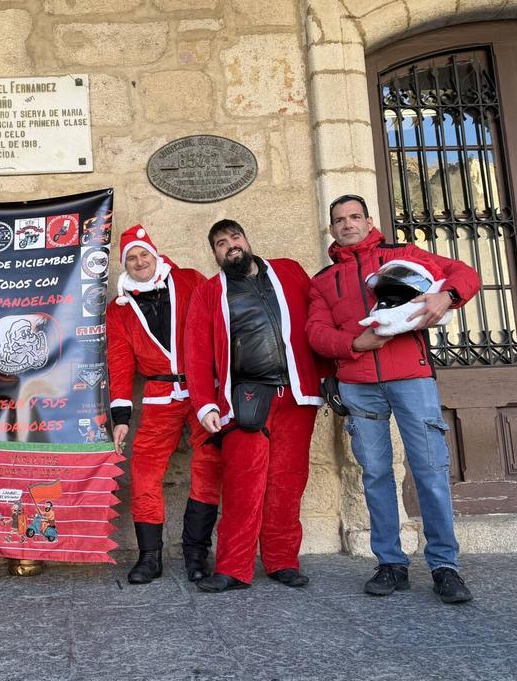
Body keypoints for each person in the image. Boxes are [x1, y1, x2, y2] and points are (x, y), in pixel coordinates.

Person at [306, 194, 480, 604]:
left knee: (430, 470)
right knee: (376, 474)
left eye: (354, 217)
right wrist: (354, 343)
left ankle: (444, 566)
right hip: (357, 384)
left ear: (369, 221)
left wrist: (446, 296)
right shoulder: (323, 281)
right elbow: (316, 333)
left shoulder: (402, 254)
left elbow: (465, 273)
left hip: (411, 378)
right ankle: (390, 563)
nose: (347, 224)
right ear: (331, 229)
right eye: (339, 220)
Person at [184, 220, 325, 593]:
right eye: (220, 243)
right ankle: (233, 567)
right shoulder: (209, 293)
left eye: (235, 238)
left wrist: (329, 375)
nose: (230, 246)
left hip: (295, 396)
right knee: (242, 486)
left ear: (246, 240)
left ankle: (282, 561)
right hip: (244, 400)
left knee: (288, 484)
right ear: (213, 253)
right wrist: (204, 405)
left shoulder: (289, 272)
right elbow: (196, 356)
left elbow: (316, 321)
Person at [106, 224, 221, 584]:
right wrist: (121, 416)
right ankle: (149, 557)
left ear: (155, 255)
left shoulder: (189, 280)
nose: (140, 262)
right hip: (158, 395)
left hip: (204, 390)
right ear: (125, 265)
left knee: (209, 466)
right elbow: (121, 363)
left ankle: (196, 553)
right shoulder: (119, 309)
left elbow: (219, 326)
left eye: (144, 254)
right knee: (143, 470)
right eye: (132, 258)